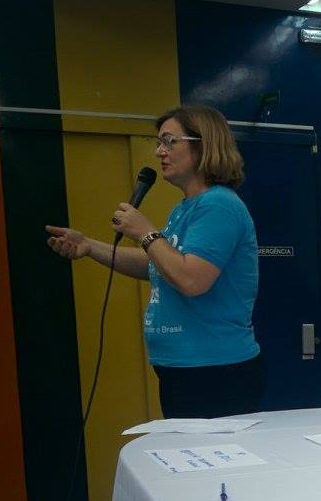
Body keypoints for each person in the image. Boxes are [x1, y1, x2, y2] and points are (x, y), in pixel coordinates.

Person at [46, 104, 263, 418]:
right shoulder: (185, 208)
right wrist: (89, 246)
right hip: (183, 367)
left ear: (203, 145)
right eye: (159, 143)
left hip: (214, 370)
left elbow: (191, 280)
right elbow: (158, 263)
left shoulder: (219, 205)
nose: (160, 151)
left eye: (170, 141)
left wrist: (146, 232)